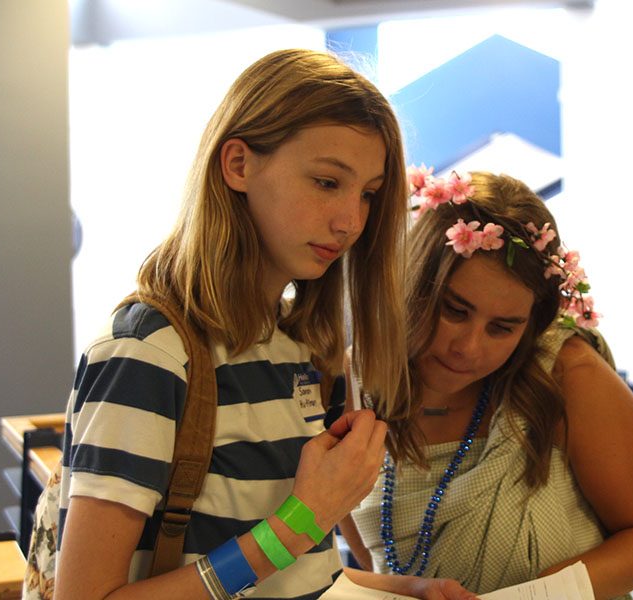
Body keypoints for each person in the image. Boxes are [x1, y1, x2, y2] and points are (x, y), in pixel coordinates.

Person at [50, 48, 411, 599]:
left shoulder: (301, 349)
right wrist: (302, 522)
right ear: (238, 164)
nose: (351, 222)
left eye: (367, 194)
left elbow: (290, 573)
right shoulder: (150, 352)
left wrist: (399, 588)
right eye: (326, 182)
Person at [339, 170, 633, 599]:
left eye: (502, 328)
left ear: (532, 326)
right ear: (412, 283)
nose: (468, 348)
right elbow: (358, 560)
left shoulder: (564, 374)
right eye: (455, 311)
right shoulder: (350, 384)